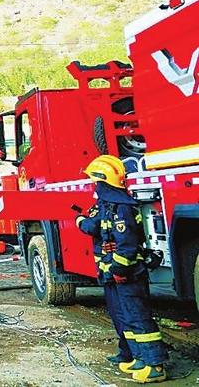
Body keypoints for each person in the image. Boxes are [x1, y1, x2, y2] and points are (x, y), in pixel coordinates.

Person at [76, 155, 168, 384]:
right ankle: (139, 358)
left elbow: (127, 246)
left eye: (95, 181)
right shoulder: (110, 205)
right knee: (127, 318)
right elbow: (97, 228)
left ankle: (155, 366)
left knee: (138, 318)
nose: (94, 186)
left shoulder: (122, 209)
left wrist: (119, 269)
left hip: (128, 274)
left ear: (103, 181)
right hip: (117, 274)